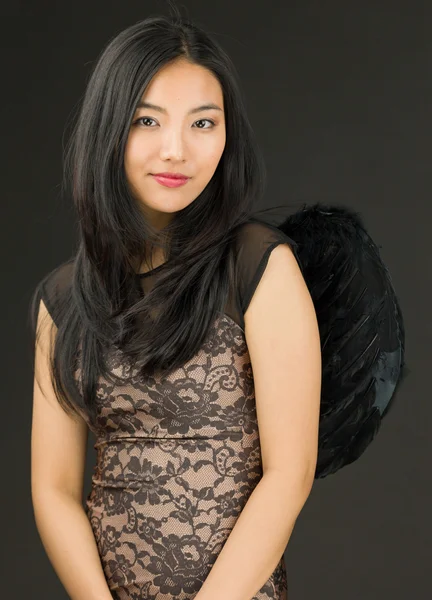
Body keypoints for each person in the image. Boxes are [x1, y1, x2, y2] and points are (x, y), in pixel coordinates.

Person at [29, 6, 319, 600]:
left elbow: (289, 474)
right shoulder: (64, 298)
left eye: (203, 124)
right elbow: (54, 489)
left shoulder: (258, 267)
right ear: (109, 129)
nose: (177, 151)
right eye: (147, 121)